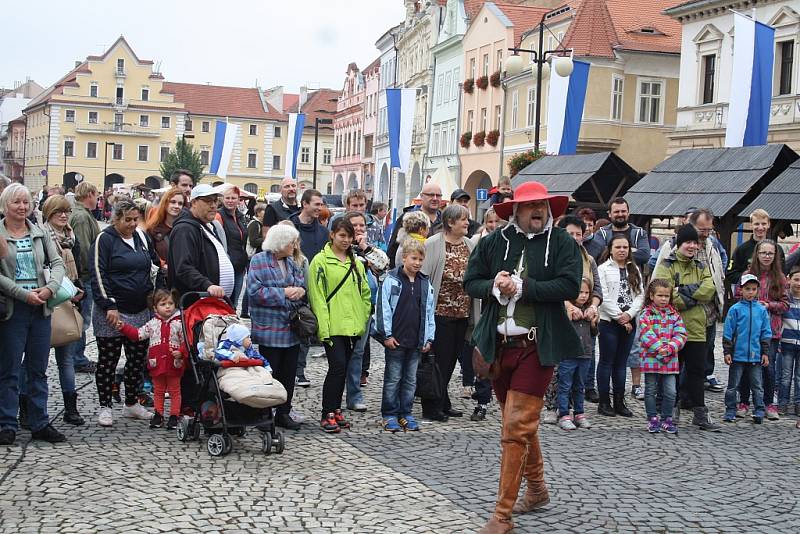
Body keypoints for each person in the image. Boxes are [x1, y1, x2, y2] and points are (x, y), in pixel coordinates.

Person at [465, 181, 582, 533]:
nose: (538, 211)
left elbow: (569, 287)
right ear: (514, 210)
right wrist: (494, 285)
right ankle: (537, 489)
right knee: (520, 425)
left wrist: (524, 287)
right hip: (499, 349)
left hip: (536, 347)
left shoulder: (561, 242)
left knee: (515, 428)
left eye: (543, 206)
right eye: (530, 206)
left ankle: (502, 517)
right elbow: (470, 281)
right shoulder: (494, 241)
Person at [0, 183, 67, 445]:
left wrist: (50, 289)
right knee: (9, 369)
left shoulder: (39, 233)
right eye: (16, 202)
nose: (22, 207)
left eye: (26, 202)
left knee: (38, 369)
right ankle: (6, 423)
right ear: (5, 205)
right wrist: (22, 293)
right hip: (12, 310)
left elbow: (58, 264)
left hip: (41, 308)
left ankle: (39, 422)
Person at [90, 198, 161, 427]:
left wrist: (155, 297)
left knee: (137, 359)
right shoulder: (105, 239)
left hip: (140, 308)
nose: (132, 224)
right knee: (108, 360)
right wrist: (109, 304)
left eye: (135, 219)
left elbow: (153, 265)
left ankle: (131, 402)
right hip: (112, 311)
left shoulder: (141, 236)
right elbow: (98, 274)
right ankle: (105, 405)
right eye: (127, 220)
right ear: (116, 218)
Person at [653, 224, 721, 431]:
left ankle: (699, 413)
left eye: (694, 242)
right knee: (672, 371)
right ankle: (670, 410)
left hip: (696, 327)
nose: (692, 246)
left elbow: (710, 289)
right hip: (671, 328)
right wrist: (692, 296)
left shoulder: (701, 265)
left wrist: (683, 292)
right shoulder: (667, 264)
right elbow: (665, 293)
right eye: (687, 242)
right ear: (679, 244)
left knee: (697, 371)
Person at [307, 218, 371, 433]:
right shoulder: (320, 261)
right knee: (337, 367)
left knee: (344, 369)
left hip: (352, 325)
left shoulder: (355, 261)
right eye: (342, 235)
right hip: (332, 325)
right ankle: (327, 412)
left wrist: (362, 318)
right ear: (332, 234)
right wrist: (323, 327)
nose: (345, 240)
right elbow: (317, 297)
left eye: (349, 236)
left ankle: (335, 408)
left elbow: (364, 292)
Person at [248, 223, 306, 431]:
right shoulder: (258, 261)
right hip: (270, 329)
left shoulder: (291, 262)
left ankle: (284, 412)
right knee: (269, 374)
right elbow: (254, 293)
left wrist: (298, 292)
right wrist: (285, 293)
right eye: (292, 242)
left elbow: (300, 286)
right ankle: (265, 414)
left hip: (291, 328)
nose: (295, 245)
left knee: (289, 374)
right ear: (281, 243)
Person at [374, 238, 435, 433]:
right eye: (413, 258)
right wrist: (386, 335)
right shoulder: (391, 280)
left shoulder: (424, 283)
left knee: (410, 379)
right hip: (396, 339)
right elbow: (383, 308)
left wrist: (428, 337)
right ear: (404, 257)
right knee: (393, 378)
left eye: (420, 259)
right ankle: (389, 413)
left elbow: (429, 312)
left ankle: (405, 412)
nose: (417, 263)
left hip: (415, 340)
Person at [420, 203, 474, 422]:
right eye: (463, 219)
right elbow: (423, 277)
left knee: (451, 361)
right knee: (438, 361)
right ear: (450, 222)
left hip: (462, 313)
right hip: (439, 312)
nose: (467, 223)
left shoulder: (470, 244)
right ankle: (431, 406)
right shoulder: (433, 243)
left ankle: (443, 401)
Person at [38, 195, 87, 425]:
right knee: (35, 361)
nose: (63, 215)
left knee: (66, 360)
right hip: (45, 301)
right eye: (58, 211)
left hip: (68, 301)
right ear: (49, 213)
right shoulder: (41, 236)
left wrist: (79, 290)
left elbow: (78, 268)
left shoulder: (71, 237)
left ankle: (71, 408)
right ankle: (30, 408)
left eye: (66, 211)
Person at [734, 239, 789, 420]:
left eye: (770, 253)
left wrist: (769, 305)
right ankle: (743, 401)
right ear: (757, 254)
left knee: (768, 367)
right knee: (744, 366)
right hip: (747, 330)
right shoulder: (747, 274)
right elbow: (737, 297)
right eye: (763, 253)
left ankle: (768, 403)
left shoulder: (780, 277)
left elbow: (785, 304)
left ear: (775, 256)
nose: (766, 256)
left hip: (771, 331)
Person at [118, 289, 185, 430]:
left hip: (174, 363)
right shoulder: (152, 324)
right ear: (155, 308)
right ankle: (158, 414)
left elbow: (186, 342)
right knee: (159, 391)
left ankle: (174, 415)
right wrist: (124, 327)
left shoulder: (179, 323)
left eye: (171, 303)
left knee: (175, 391)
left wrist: (181, 352)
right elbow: (137, 335)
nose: (168, 307)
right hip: (157, 363)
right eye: (163, 304)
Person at [341, 210, 387, 411]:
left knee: (358, 353)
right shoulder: (339, 250)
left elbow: (384, 264)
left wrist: (365, 248)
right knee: (340, 356)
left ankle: (354, 395)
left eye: (362, 225)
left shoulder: (368, 250)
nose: (359, 229)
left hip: (364, 310)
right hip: (342, 310)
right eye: (355, 225)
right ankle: (334, 395)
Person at [596, 235, 644, 418]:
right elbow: (603, 296)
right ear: (611, 248)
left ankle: (619, 400)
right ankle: (604, 402)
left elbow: (640, 295)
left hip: (629, 321)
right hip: (609, 321)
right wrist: (619, 317)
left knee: (621, 363)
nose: (622, 250)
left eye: (625, 247)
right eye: (618, 247)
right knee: (607, 361)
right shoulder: (603, 269)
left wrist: (629, 315)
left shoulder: (634, 269)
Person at [558, 216, 602, 404]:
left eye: (579, 234)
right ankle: (557, 406)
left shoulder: (589, 259)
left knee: (584, 361)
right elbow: (552, 288)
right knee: (561, 367)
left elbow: (598, 289)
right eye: (570, 234)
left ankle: (578, 407)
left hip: (585, 318)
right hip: (561, 317)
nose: (575, 237)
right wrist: (568, 305)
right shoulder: (554, 258)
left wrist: (593, 306)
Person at [638, 279, 687, 434]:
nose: (664, 299)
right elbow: (646, 334)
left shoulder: (675, 315)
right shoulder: (646, 314)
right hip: (651, 358)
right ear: (652, 296)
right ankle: (652, 417)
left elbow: (681, 334)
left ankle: (667, 418)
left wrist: (671, 347)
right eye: (660, 295)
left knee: (670, 391)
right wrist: (659, 348)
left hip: (670, 359)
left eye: (666, 296)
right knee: (650, 389)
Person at [168, 184, 233, 299]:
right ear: (194, 203)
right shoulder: (185, 229)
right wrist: (207, 285)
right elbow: (183, 268)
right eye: (208, 201)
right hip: (195, 303)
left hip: (211, 301)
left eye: (215, 201)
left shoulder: (204, 225)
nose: (213, 205)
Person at [722, 274, 772, 424]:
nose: (751, 292)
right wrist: (727, 351)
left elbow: (766, 332)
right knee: (733, 386)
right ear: (741, 290)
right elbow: (728, 332)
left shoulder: (761, 310)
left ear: (758, 290)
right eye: (747, 289)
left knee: (757, 386)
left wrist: (765, 353)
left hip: (755, 356)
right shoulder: (735, 309)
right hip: (737, 355)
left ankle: (759, 410)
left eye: (754, 289)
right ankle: (730, 410)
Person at [556, 278, 597, 431]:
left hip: (585, 354)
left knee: (580, 386)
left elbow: (594, 333)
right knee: (565, 385)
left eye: (587, 292)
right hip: (568, 354)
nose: (584, 295)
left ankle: (579, 413)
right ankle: (564, 414)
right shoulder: (566, 309)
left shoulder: (589, 311)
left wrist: (593, 322)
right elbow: (560, 328)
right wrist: (569, 314)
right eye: (580, 292)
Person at [69, 181, 101, 374]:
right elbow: (83, 249)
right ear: (89, 194)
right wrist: (91, 271)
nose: (98, 199)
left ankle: (76, 356)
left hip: (85, 275)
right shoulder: (81, 216)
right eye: (96, 195)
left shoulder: (83, 214)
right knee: (82, 319)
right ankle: (77, 358)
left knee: (82, 318)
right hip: (85, 276)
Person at [727, 209, 785, 292]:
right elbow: (731, 274)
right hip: (749, 296)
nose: (760, 227)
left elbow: (783, 273)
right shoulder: (741, 249)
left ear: (769, 225)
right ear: (751, 225)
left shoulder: (778, 249)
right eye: (757, 224)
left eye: (764, 224)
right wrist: (749, 277)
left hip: (772, 296)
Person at [387, 182, 443, 268]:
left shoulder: (445, 220)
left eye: (438, 195)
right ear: (422, 196)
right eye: (431, 195)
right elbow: (393, 248)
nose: (435, 198)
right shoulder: (408, 218)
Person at [585, 197, 650, 268]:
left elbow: (644, 256)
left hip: (632, 278)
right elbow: (600, 256)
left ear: (628, 213)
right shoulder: (601, 233)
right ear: (609, 214)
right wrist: (631, 251)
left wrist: (611, 251)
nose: (620, 214)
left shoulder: (639, 233)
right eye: (616, 212)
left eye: (623, 211)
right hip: (607, 277)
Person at [216, 185, 248, 309]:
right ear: (223, 200)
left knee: (234, 304)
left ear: (239, 200)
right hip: (227, 266)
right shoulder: (219, 216)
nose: (230, 201)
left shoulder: (240, 216)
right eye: (227, 198)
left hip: (240, 265)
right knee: (226, 302)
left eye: (233, 198)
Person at [779, 266, 800, 415]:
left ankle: (798, 404)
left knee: (799, 377)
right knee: (785, 376)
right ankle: (782, 403)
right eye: (796, 279)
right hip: (787, 343)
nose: (799, 283)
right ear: (789, 280)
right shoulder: (785, 299)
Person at [145, 187, 184, 268]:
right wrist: (162, 265)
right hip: (162, 277)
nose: (176, 206)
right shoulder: (153, 229)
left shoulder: (185, 229)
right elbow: (149, 255)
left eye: (180, 203)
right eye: (173, 202)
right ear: (165, 203)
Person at [289, 189, 328, 264]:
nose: (320, 208)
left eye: (321, 205)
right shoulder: (288, 228)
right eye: (317, 204)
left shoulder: (324, 232)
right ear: (305, 204)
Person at [242, 203, 266, 319]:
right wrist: (266, 238)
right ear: (258, 212)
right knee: (250, 285)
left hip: (255, 257)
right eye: (263, 211)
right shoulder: (254, 224)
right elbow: (253, 241)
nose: (265, 213)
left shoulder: (260, 224)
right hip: (251, 257)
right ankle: (244, 311)